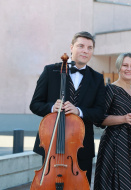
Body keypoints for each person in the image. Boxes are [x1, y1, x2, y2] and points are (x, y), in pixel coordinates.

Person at [29, 31, 106, 185]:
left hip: (81, 146)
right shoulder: (50, 71)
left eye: (90, 48)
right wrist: (51, 108)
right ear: (71, 47)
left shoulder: (97, 78)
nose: (85, 50)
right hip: (52, 144)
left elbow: (100, 113)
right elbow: (35, 104)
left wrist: (80, 111)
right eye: (81, 46)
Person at [93, 53, 131, 190]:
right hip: (115, 143)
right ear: (119, 67)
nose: (129, 69)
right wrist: (123, 119)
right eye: (125, 65)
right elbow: (98, 120)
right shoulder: (110, 90)